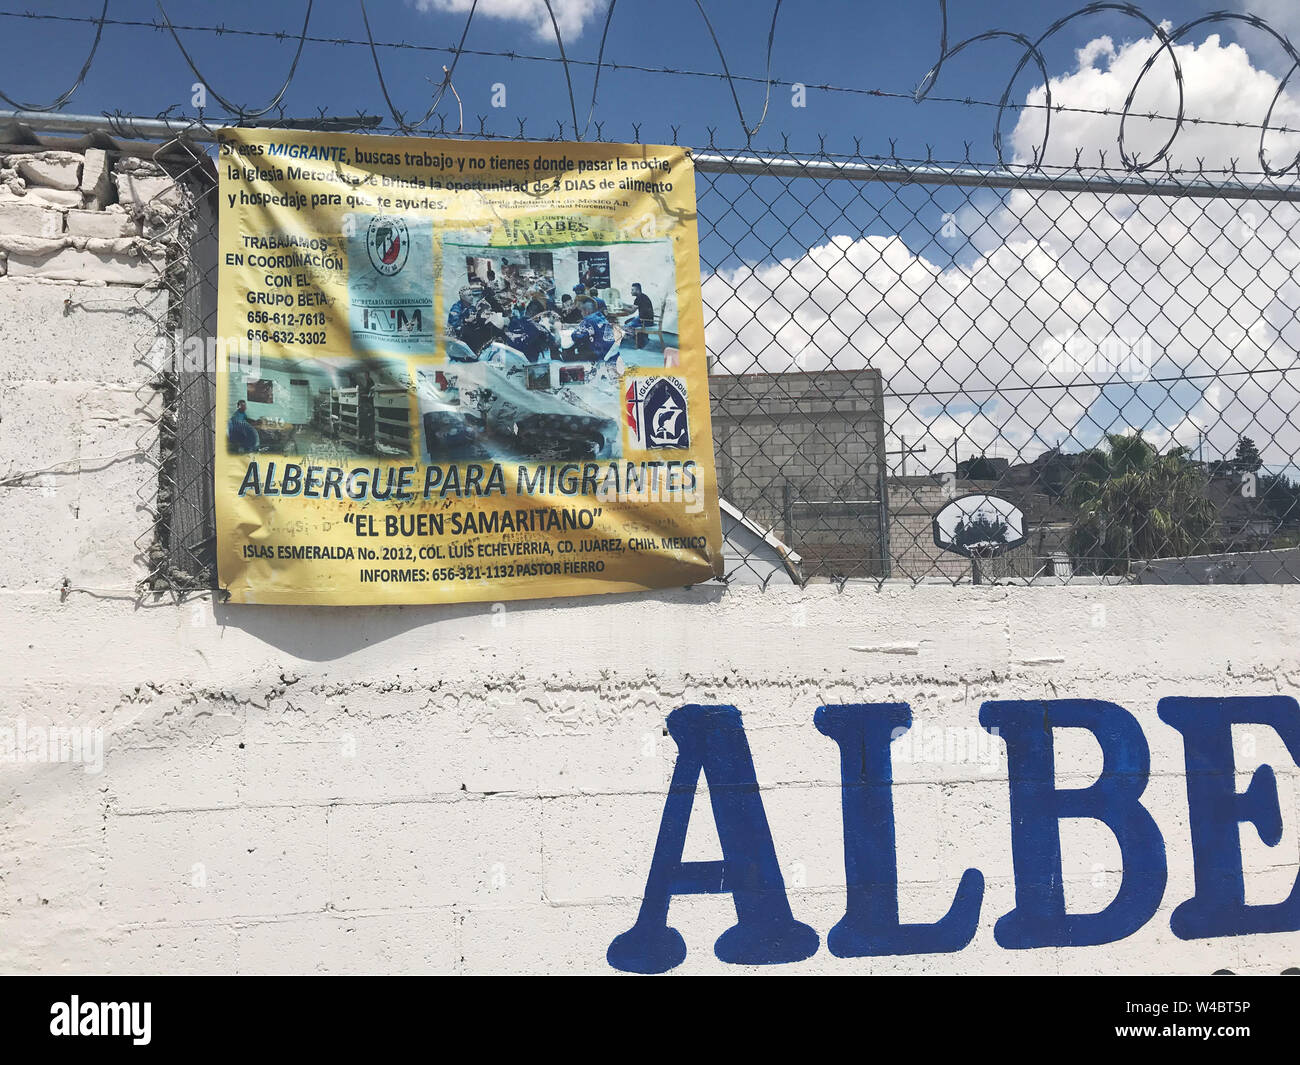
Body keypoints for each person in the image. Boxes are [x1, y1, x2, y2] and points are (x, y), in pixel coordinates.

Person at [447, 284, 505, 355]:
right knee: (469, 330)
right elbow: (454, 324)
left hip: (469, 333)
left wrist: (484, 314)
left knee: (488, 325)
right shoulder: (456, 308)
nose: (472, 297)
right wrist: (466, 320)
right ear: (463, 297)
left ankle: (500, 341)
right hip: (459, 336)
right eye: (469, 295)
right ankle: (477, 349)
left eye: (472, 295)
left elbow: (476, 317)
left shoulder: (471, 307)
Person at [565, 296, 618, 362]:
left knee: (573, 352)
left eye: (581, 311)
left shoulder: (588, 320)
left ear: (586, 312)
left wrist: (574, 333)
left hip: (601, 353)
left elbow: (577, 336)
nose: (581, 313)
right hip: (612, 351)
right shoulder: (601, 316)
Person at [624, 282, 655, 349]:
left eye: (632, 290)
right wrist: (625, 304)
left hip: (645, 321)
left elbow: (632, 311)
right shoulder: (643, 296)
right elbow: (634, 306)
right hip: (647, 319)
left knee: (626, 326)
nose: (631, 292)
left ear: (637, 290)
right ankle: (642, 338)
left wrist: (622, 308)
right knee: (627, 321)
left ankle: (639, 341)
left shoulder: (638, 298)